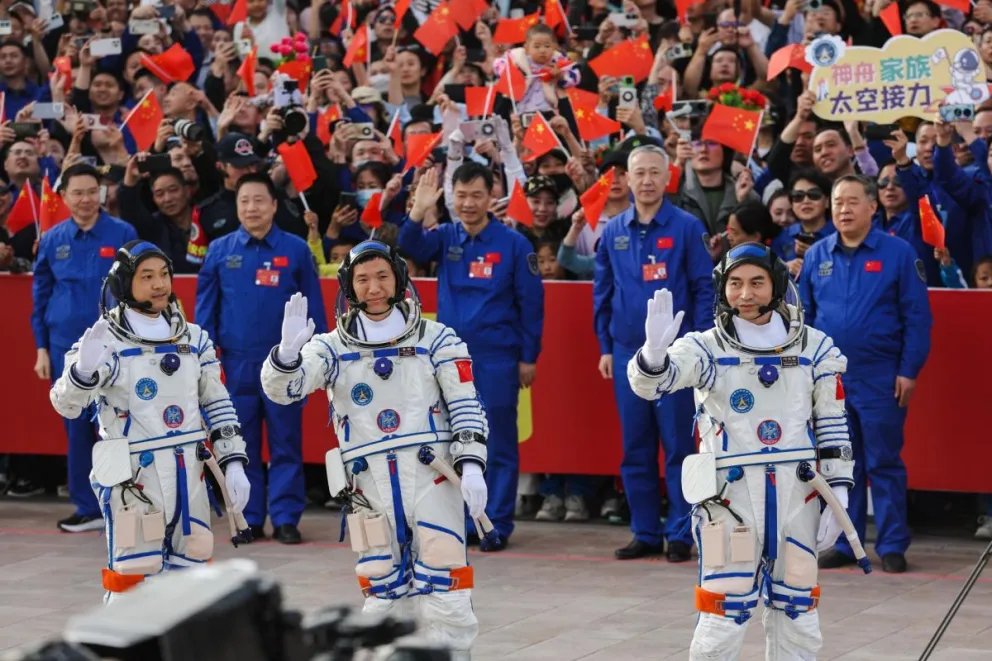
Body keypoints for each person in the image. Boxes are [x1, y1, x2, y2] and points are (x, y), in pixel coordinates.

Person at [625, 243, 856, 660]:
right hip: (729, 502)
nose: (745, 294)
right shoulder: (707, 348)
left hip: (797, 497)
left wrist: (838, 493)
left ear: (777, 285)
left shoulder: (814, 349)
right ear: (722, 288)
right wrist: (654, 354)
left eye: (756, 282)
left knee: (797, 609)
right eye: (735, 284)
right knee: (723, 611)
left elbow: (832, 423)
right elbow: (653, 385)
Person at [259, 242, 488, 656]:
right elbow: (286, 390)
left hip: (432, 478)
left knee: (447, 587)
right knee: (382, 591)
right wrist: (288, 354)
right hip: (369, 487)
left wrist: (471, 465)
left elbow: (466, 404)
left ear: (399, 278)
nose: (374, 288)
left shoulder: (437, 339)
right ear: (349, 286)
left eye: (383, 276)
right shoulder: (331, 347)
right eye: (363, 279)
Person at [49, 241, 251, 602]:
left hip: (190, 474)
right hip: (136, 480)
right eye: (146, 277)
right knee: (132, 580)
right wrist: (82, 372)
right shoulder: (105, 341)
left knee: (192, 581)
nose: (159, 284)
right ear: (123, 284)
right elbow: (66, 404)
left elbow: (217, 402)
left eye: (164, 274)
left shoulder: (194, 338)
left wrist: (232, 461)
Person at [398, 163, 544, 548]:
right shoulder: (446, 236)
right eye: (460, 196)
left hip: (497, 357)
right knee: (452, 440)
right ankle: (461, 520)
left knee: (497, 441)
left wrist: (528, 357)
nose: (468, 203)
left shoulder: (514, 244)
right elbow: (408, 246)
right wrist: (418, 210)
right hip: (449, 359)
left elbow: (531, 304)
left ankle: (495, 523)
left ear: (491, 195)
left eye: (476, 195)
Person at [800, 175, 932, 573]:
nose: (843, 209)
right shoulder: (817, 255)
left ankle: (892, 544)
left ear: (872, 207)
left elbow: (917, 317)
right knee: (839, 464)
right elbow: (803, 319)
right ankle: (845, 542)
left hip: (880, 376)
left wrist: (908, 370)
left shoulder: (898, 253)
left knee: (883, 462)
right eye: (838, 202)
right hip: (830, 381)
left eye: (852, 201)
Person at [593, 144, 714, 561]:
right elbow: (602, 293)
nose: (646, 181)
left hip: (678, 357)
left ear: (667, 178)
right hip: (628, 353)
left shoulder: (686, 227)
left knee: (679, 446)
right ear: (626, 179)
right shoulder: (613, 231)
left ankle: (681, 532)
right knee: (636, 447)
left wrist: (700, 346)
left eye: (654, 173)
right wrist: (605, 346)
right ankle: (644, 531)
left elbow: (703, 288)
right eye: (639, 173)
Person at [195, 173, 327, 544]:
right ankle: (248, 516)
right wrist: (203, 360)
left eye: (259, 200)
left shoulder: (295, 249)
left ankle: (286, 517)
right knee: (240, 443)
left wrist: (313, 356)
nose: (251, 208)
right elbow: (206, 311)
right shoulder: (219, 250)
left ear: (273, 205)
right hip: (235, 365)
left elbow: (314, 308)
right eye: (244, 201)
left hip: (284, 363)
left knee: (286, 441)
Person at [31, 164, 139, 532]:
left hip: (116, 346)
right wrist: (41, 349)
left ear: (101, 194)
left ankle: (127, 500)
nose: (86, 199)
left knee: (119, 425)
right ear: (63, 197)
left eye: (92, 191)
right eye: (77, 193)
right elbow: (40, 296)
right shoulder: (52, 239)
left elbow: (137, 289)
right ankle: (87, 507)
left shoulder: (123, 233)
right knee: (76, 427)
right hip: (66, 347)